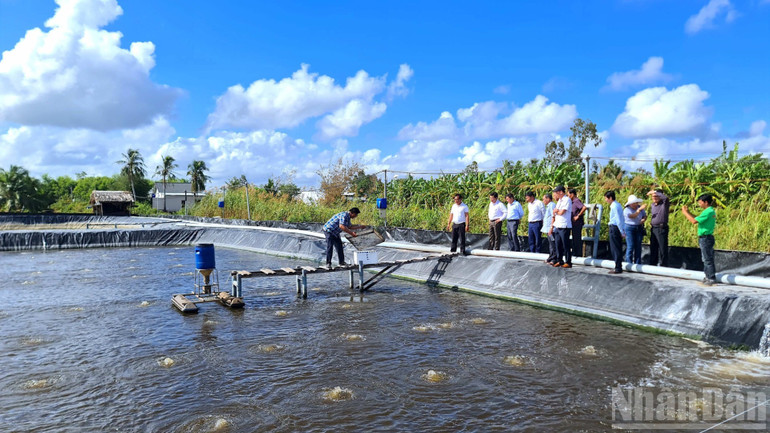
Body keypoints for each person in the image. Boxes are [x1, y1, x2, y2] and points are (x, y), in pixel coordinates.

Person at [682, 194, 717, 285]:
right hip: (706, 238)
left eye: (700, 202)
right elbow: (697, 218)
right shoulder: (709, 211)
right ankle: (707, 276)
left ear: (706, 202)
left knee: (707, 258)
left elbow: (693, 221)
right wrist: (689, 212)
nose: (699, 204)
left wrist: (685, 213)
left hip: (706, 238)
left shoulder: (708, 211)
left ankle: (711, 278)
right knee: (705, 258)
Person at [550, 185, 572, 268]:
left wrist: (557, 211)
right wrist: (556, 211)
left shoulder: (567, 200)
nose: (555, 194)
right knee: (557, 244)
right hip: (558, 224)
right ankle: (560, 260)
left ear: (561, 192)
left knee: (565, 244)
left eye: (556, 192)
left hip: (564, 225)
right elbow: (555, 211)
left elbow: (561, 212)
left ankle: (568, 261)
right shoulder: (559, 201)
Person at [647, 188, 670, 267]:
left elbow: (665, 198)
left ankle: (664, 265)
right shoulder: (653, 205)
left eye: (656, 196)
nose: (654, 198)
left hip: (661, 228)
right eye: (653, 196)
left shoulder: (664, 203)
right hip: (654, 228)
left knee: (662, 248)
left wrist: (655, 192)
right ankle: (653, 264)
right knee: (653, 247)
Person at [604, 191, 626, 274]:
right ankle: (618, 266)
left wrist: (621, 231)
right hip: (616, 228)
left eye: (606, 198)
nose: (606, 200)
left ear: (610, 198)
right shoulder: (618, 205)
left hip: (615, 228)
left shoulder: (614, 206)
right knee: (617, 247)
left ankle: (618, 267)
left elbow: (618, 219)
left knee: (615, 248)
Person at [623, 195, 647, 264]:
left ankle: (637, 263)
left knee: (638, 246)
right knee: (630, 245)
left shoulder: (639, 208)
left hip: (638, 227)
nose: (635, 204)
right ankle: (629, 263)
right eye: (634, 203)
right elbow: (632, 216)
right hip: (629, 228)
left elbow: (644, 215)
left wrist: (643, 219)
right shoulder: (626, 210)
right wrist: (639, 210)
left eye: (636, 203)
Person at [568, 188, 586, 257]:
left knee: (577, 239)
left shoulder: (576, 201)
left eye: (568, 195)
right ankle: (574, 252)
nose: (568, 196)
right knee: (574, 239)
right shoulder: (571, 202)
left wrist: (578, 216)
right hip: (573, 223)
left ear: (572, 194)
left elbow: (584, 207)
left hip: (577, 223)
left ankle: (578, 254)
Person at [541, 193, 557, 264]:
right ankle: (551, 257)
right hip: (548, 228)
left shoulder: (552, 205)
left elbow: (554, 216)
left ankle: (554, 258)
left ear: (548, 199)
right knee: (550, 244)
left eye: (544, 199)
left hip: (551, 228)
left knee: (553, 244)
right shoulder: (548, 206)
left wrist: (551, 227)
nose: (543, 201)